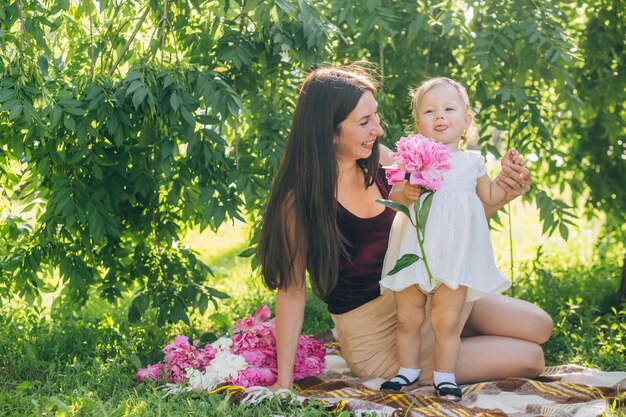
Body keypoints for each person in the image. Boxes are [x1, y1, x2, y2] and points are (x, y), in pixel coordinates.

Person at [257, 64, 553, 393]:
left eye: (376, 116)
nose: (379, 129)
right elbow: (291, 291)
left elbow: (449, 223)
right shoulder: (299, 202)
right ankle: (445, 352)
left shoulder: (382, 161)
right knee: (531, 358)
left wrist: (503, 193)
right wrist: (283, 384)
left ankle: (453, 336)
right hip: (380, 338)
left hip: (429, 288)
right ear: (330, 131)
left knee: (539, 326)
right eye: (365, 122)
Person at [378, 77, 516, 400]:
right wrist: (408, 191)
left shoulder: (472, 162)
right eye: (430, 111)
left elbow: (491, 195)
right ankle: (407, 371)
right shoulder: (412, 158)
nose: (439, 116)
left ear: (466, 120)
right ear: (417, 123)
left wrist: (506, 176)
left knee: (447, 320)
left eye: (448, 109)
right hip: (414, 249)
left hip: (453, 256)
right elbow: (395, 194)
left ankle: (445, 376)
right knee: (408, 317)